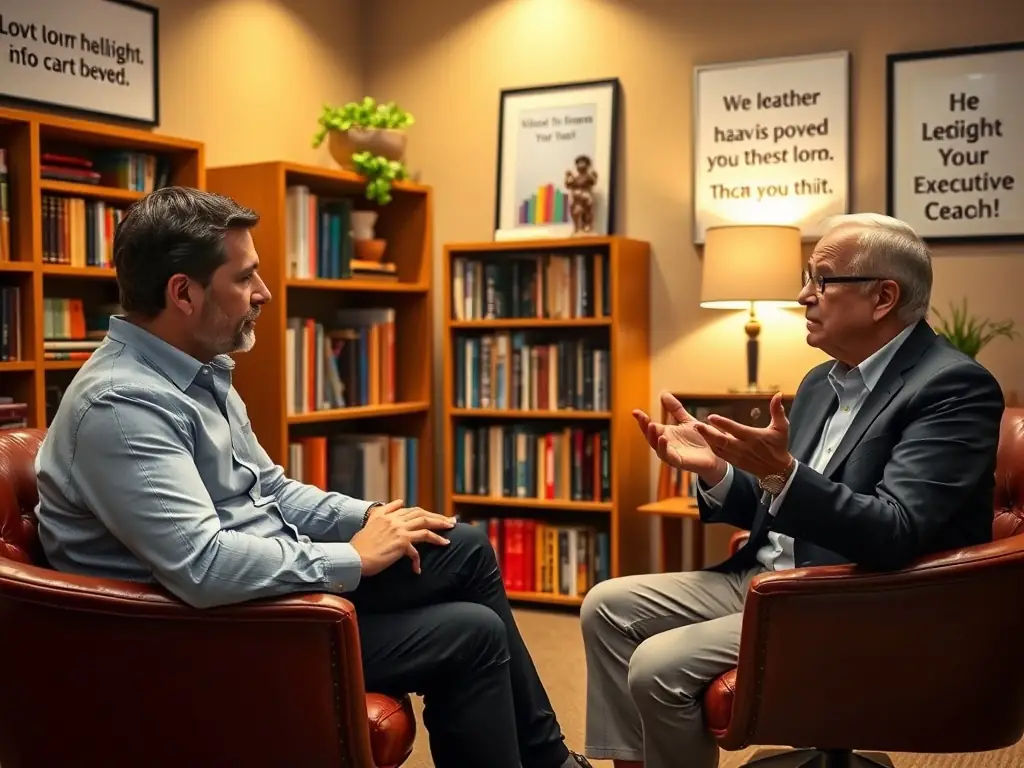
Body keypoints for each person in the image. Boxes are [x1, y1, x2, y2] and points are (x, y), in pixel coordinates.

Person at [34, 186, 593, 768]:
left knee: (463, 547)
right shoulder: (121, 405)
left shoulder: (197, 371)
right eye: (244, 277)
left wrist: (371, 518)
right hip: (208, 632)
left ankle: (551, 762)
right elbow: (202, 565)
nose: (263, 292)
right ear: (184, 293)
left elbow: (270, 490)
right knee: (471, 634)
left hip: (262, 590)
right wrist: (352, 558)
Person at [579, 213, 1005, 768]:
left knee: (658, 664)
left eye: (822, 280)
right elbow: (777, 504)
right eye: (808, 278)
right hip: (768, 578)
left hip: (852, 597)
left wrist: (782, 475)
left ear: (883, 297)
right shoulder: (820, 381)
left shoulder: (952, 386)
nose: (804, 295)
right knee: (606, 606)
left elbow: (896, 531)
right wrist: (716, 470)